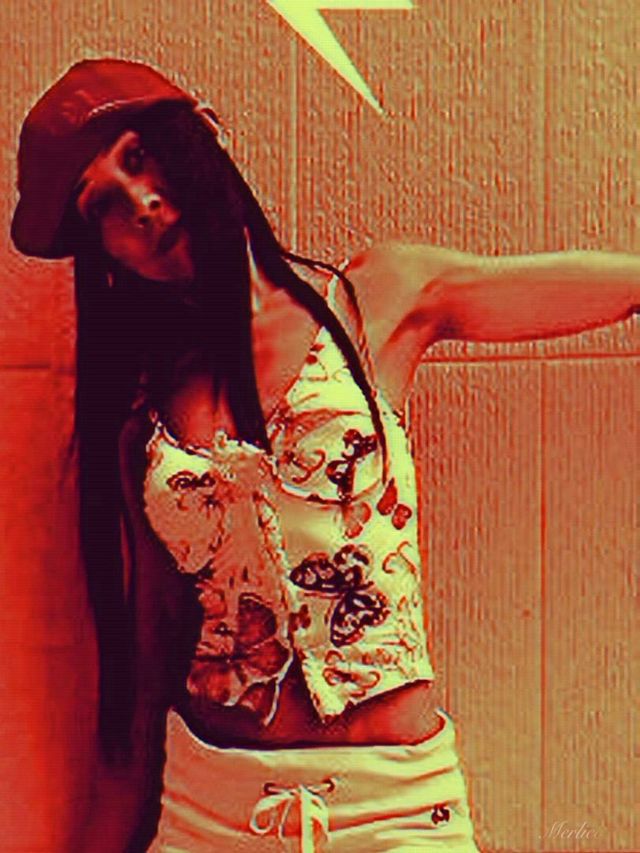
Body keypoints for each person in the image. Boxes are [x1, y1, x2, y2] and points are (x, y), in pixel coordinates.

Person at [11, 59, 638, 853]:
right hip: (211, 812)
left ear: (202, 137)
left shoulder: (377, 298)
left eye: (140, 157)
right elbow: (142, 671)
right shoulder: (145, 418)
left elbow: (610, 285)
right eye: (101, 202)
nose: (140, 202)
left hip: (396, 813)